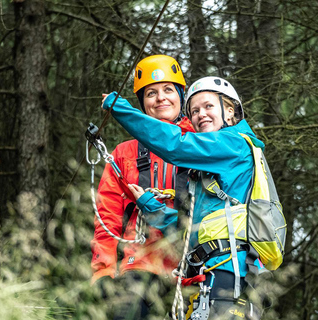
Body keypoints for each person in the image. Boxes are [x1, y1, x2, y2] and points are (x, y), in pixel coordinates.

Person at [103, 76, 272, 319]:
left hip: (228, 273)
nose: (201, 114)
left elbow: (176, 145)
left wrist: (119, 107)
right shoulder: (213, 169)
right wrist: (150, 206)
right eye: (194, 110)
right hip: (210, 276)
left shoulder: (234, 144)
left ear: (230, 111)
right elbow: (188, 231)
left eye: (208, 106)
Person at [91, 54, 195, 320]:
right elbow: (107, 218)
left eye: (168, 90)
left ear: (181, 97)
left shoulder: (200, 143)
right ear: (142, 104)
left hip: (193, 269)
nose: (160, 98)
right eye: (151, 93)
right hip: (140, 266)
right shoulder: (125, 153)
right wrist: (103, 269)